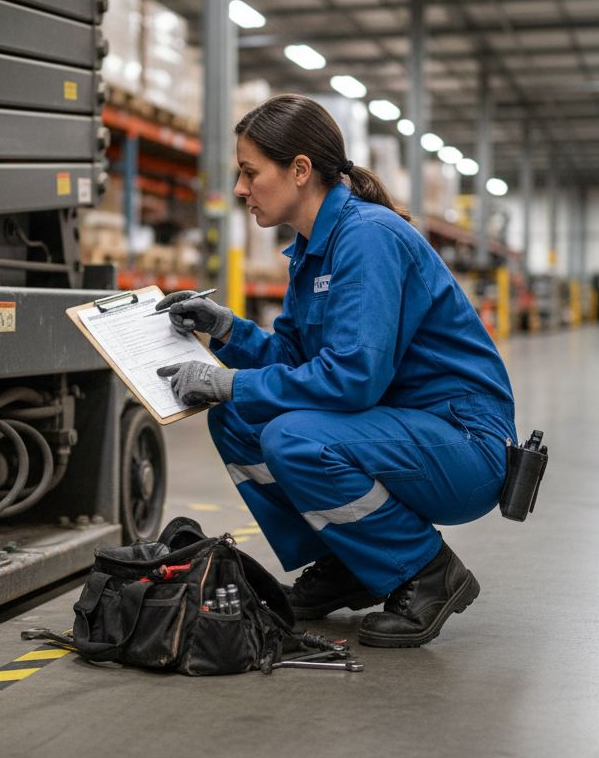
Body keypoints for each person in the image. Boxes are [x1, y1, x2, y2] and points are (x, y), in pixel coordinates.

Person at [155, 94, 517, 648]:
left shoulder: (367, 237)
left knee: (292, 435)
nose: (239, 190)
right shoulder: (310, 252)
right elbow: (299, 366)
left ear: (300, 170)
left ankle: (427, 571)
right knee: (236, 420)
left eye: (250, 173)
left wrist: (233, 381)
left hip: (464, 444)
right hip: (402, 428)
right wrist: (229, 331)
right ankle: (349, 559)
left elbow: (352, 379)